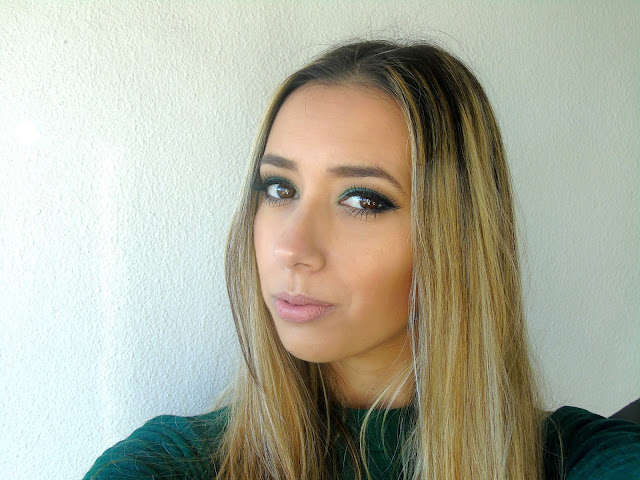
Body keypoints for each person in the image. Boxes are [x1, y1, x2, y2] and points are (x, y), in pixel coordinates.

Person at [84, 40, 640, 479]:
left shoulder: (582, 458)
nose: (291, 249)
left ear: (454, 237)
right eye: (279, 189)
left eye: (363, 200)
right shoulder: (167, 464)